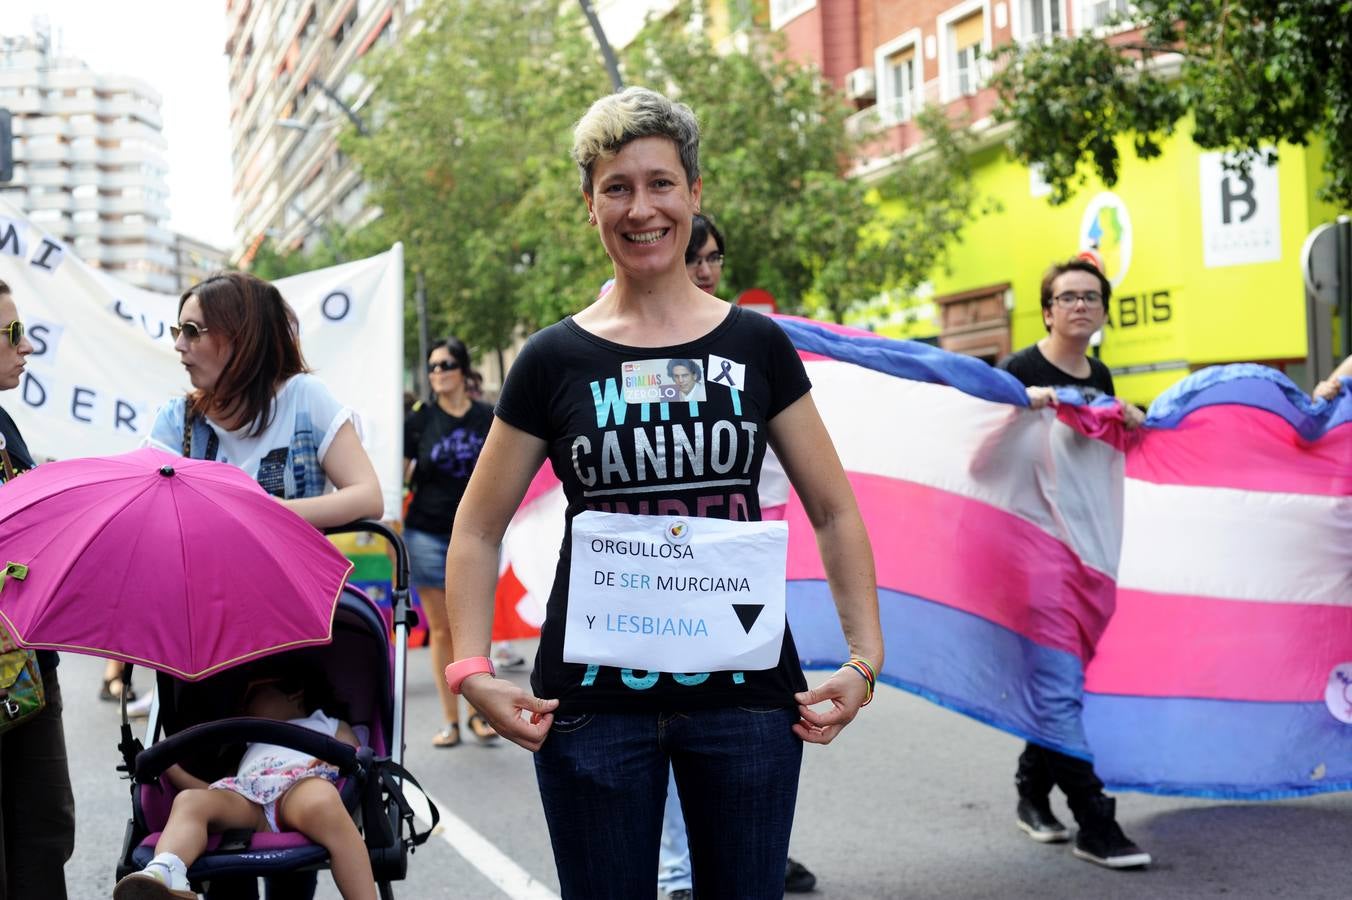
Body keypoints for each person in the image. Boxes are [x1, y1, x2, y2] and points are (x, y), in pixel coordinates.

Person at [443, 87, 883, 899]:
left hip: (747, 704)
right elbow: (475, 529)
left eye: (660, 183)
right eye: (617, 187)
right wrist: (472, 667)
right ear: (590, 205)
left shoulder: (755, 344)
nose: (640, 208)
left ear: (694, 195)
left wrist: (864, 659)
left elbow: (833, 509)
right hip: (590, 708)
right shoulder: (552, 359)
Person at [146, 271, 383, 899]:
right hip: (204, 638)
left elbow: (368, 494)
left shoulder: (303, 399)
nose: (179, 344)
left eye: (192, 330)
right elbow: (147, 514)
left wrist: (261, 515)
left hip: (293, 629)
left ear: (239, 338)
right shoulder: (179, 421)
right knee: (218, 832)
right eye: (178, 330)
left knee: (293, 862)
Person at [656, 214, 816, 900]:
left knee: (742, 721)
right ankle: (674, 869)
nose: (707, 270)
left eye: (715, 258)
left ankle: (750, 848)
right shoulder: (647, 343)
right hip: (660, 567)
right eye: (697, 258)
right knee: (659, 720)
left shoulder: (754, 339)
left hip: (745, 549)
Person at [996, 257, 1150, 869]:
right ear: (1048, 310)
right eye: (1069, 297)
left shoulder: (1102, 373)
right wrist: (1024, 411)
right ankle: (1096, 821)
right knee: (1060, 685)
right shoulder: (1021, 371)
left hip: (1090, 552)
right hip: (1036, 554)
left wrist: (1130, 423)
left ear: (1104, 311)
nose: (1081, 306)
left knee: (1065, 681)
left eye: (1092, 297)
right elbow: (983, 461)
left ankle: (1031, 792)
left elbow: (1097, 456)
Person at [112, 662, 375, 900]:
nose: (241, 706)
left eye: (250, 695)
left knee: (322, 801)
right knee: (190, 801)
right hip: (249, 797)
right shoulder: (247, 745)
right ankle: (166, 873)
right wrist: (167, 766)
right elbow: (216, 791)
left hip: (299, 784)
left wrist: (334, 764)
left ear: (294, 692)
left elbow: (352, 756)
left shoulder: (325, 724)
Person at [0, 278, 76, 899]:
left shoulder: (4, 422)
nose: (26, 349)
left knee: (45, 832)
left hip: (27, 662)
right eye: (13, 334)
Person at [403, 336, 497, 747]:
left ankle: (480, 712)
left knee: (473, 627)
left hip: (476, 536)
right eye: (432, 367)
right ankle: (451, 721)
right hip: (426, 531)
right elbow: (400, 475)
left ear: (462, 370)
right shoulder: (419, 421)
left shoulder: (487, 417)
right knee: (441, 630)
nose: (437, 373)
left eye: (445, 365)